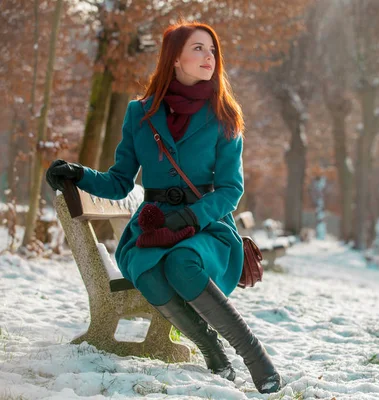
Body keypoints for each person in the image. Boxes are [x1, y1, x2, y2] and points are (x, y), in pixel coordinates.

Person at [45, 21, 282, 394]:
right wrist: (79, 174)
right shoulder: (140, 113)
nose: (210, 57)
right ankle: (211, 350)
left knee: (182, 262)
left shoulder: (224, 114)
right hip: (153, 228)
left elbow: (230, 189)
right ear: (175, 59)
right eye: (199, 49)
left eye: (212, 50)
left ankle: (256, 358)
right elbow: (120, 180)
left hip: (207, 226)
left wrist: (190, 215)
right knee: (151, 270)